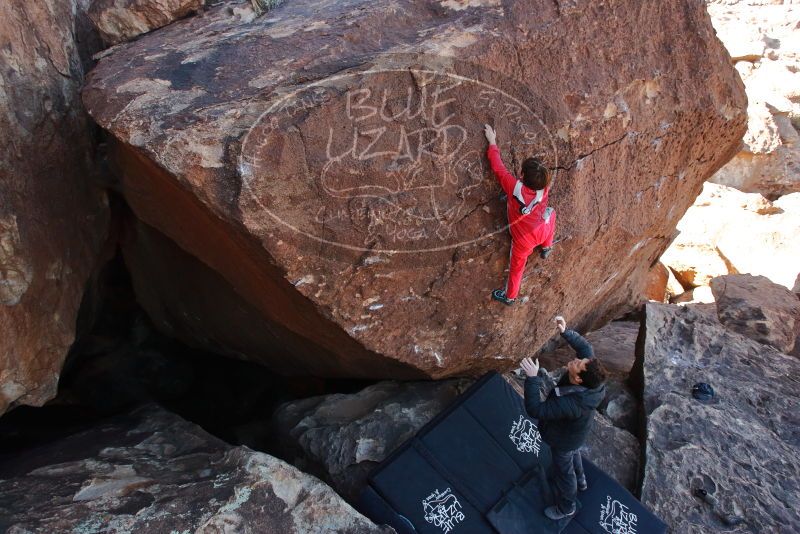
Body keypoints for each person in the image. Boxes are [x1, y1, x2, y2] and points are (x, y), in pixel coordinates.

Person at [519, 316, 608, 521]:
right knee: (574, 453)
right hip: (577, 433)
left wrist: (532, 379)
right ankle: (583, 479)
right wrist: (566, 331)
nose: (576, 360)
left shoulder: (572, 404)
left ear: (577, 379)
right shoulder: (593, 379)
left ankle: (567, 506)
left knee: (564, 472)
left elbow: (536, 409)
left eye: (577, 365)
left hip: (564, 440)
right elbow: (585, 348)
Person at [483, 124, 556, 306]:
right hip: (543, 229)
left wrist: (492, 142)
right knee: (551, 213)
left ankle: (510, 297)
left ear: (521, 175)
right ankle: (547, 247)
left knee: (517, 268)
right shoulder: (543, 189)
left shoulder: (514, 187)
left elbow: (498, 167)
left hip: (523, 238)